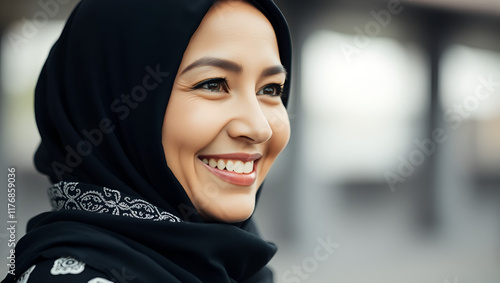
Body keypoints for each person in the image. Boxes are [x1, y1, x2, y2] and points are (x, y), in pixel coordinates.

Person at [2, 0, 292, 282]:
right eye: (213, 84)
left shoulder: (239, 267)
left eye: (270, 88)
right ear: (110, 100)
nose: (259, 128)